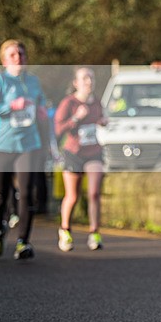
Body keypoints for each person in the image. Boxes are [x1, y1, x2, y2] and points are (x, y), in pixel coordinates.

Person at [0, 39, 47, 260]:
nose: (18, 58)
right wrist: (11, 106)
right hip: (3, 144)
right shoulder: (1, 80)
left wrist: (42, 110)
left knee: (27, 192)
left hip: (28, 144)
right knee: (1, 195)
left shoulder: (33, 81)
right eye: (13, 55)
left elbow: (41, 102)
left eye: (21, 54)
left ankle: (23, 242)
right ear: (4, 60)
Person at [54, 67, 107, 251]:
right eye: (84, 78)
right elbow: (58, 129)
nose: (89, 81)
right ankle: (65, 230)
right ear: (76, 83)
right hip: (73, 153)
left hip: (93, 152)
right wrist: (76, 118)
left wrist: (103, 122)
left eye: (91, 77)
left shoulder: (97, 102)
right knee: (72, 196)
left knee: (94, 193)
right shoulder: (68, 103)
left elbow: (100, 120)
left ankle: (94, 233)